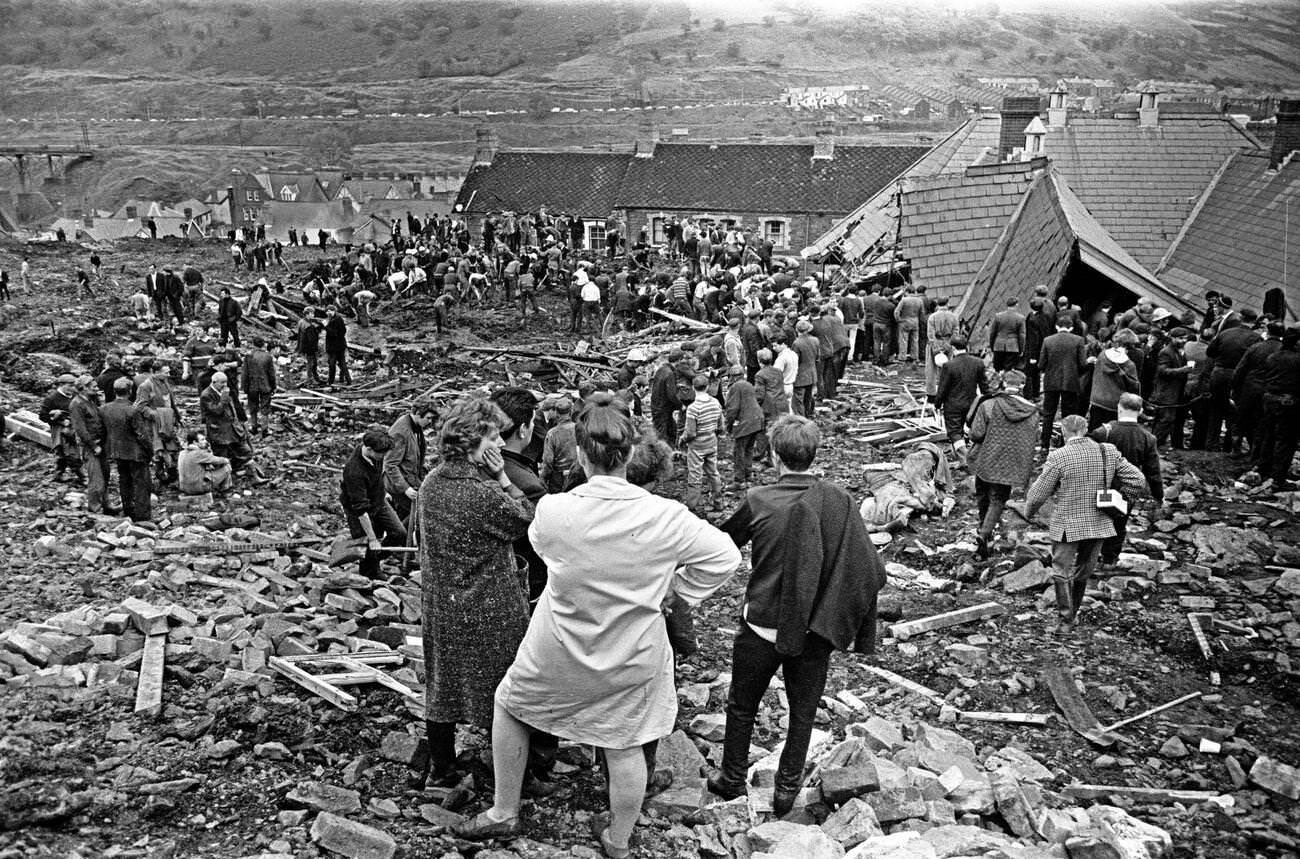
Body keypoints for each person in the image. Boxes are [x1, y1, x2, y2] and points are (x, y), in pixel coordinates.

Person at [457, 396, 739, 853]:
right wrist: (678, 589)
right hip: (632, 651)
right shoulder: (665, 516)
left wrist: (502, 479)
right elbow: (725, 557)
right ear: (629, 453)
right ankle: (619, 840)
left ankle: (503, 811)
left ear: (583, 455)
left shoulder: (556, 511)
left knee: (509, 707)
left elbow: (542, 545)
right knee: (624, 741)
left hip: (560, 646)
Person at [708, 414, 885, 817]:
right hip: (814, 628)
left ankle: (731, 777)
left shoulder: (758, 500)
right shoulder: (839, 501)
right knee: (802, 712)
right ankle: (787, 790)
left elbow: (722, 543)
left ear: (774, 456)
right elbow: (864, 565)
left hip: (762, 623)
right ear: (814, 454)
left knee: (742, 705)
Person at [415, 399, 534, 791]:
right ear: (473, 443)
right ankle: (516, 772)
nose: (501, 443)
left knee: (442, 685)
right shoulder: (483, 492)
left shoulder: (432, 482)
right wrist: (502, 477)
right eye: (494, 436)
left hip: (441, 604)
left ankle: (442, 768)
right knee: (508, 689)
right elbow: (529, 521)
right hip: (490, 607)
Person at [1013, 415, 1148, 634]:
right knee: (1084, 569)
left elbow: (1039, 493)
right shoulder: (1107, 451)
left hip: (1068, 522)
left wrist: (1029, 512)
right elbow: (1137, 479)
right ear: (1085, 430)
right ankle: (1072, 614)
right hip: (1100, 521)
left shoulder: (1060, 456)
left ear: (1064, 433)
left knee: (1061, 569)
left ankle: (1065, 621)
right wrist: (1123, 499)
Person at [967, 369, 1039, 559]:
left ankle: (983, 531)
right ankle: (985, 532)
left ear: (1003, 384)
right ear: (1022, 385)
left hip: (986, 458)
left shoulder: (989, 405)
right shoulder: (1032, 411)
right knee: (998, 499)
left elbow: (976, 434)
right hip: (1011, 463)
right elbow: (1031, 440)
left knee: (982, 493)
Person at [1090, 393, 1163, 566]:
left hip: (1101, 485)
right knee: (1119, 522)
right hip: (1127, 489)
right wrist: (1158, 495)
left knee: (1095, 518)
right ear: (1141, 411)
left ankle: (1089, 558)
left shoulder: (1104, 431)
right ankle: (1109, 560)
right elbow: (1153, 470)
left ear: (1119, 408)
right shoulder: (1148, 438)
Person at [340, 427, 407, 580]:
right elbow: (360, 510)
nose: (384, 456)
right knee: (367, 540)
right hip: (358, 510)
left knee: (399, 532)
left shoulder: (376, 453)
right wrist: (372, 539)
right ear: (369, 449)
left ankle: (375, 557)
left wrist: (384, 492)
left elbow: (377, 476)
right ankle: (370, 574)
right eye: (381, 454)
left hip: (379, 500)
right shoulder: (354, 471)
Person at [1202, 310, 1261, 452]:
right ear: (1254, 322)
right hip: (1238, 377)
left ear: (1241, 318)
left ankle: (1211, 445)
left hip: (1218, 373)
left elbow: (1210, 352)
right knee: (1234, 412)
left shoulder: (1225, 333)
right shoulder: (1256, 338)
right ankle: (1229, 447)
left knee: (1216, 409)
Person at [1233, 322, 1284, 471]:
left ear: (1267, 332)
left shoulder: (1256, 347)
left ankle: (1235, 448)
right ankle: (1256, 454)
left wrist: (1235, 387)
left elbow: (1240, 369)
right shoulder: (1282, 350)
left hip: (1251, 388)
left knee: (1242, 418)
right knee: (1262, 423)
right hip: (1270, 390)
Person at [100, 378, 153, 521]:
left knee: (124, 482)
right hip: (136, 453)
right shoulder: (132, 410)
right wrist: (150, 451)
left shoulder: (104, 408)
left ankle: (128, 510)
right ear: (130, 392)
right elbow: (141, 434)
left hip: (117, 452)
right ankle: (143, 515)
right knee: (142, 484)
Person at [1256, 327, 1300, 492]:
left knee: (1269, 436)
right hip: (1288, 403)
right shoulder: (1298, 359)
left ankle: (1262, 470)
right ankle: (1278, 480)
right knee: (1286, 441)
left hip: (1269, 400)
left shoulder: (1273, 356)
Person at [933, 336, 987, 465]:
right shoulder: (978, 362)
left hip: (953, 405)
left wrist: (937, 403)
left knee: (955, 432)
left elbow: (943, 388)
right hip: (972, 404)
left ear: (953, 348)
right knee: (973, 430)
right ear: (966, 346)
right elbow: (984, 386)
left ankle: (965, 459)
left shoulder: (949, 366)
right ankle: (973, 455)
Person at [1039, 319, 1088, 451]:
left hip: (1051, 381)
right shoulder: (1078, 340)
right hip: (1070, 381)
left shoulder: (1047, 340)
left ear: (1056, 326)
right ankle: (1066, 444)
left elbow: (1041, 364)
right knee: (1068, 413)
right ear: (1071, 328)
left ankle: (1044, 444)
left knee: (1048, 413)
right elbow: (1083, 364)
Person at [68, 376, 113, 514]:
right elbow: (80, 429)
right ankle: (94, 508)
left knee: (105, 475)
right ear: (83, 388)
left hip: (101, 444)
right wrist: (94, 446)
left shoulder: (91, 400)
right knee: (96, 479)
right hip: (90, 446)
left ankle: (107, 505)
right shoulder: (76, 404)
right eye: (93, 386)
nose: (96, 388)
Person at [383, 403, 435, 522]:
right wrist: (406, 489)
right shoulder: (401, 432)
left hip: (411, 478)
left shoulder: (415, 425)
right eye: (428, 418)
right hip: (397, 484)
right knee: (420, 512)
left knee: (407, 515)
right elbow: (390, 464)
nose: (430, 421)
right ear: (417, 414)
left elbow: (413, 452)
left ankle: (401, 537)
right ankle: (398, 538)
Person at [683, 374, 724, 512]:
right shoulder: (716, 403)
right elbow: (721, 426)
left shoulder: (693, 408)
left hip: (696, 446)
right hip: (711, 443)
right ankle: (718, 502)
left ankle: (691, 507)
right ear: (707, 387)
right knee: (713, 473)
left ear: (693, 388)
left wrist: (683, 439)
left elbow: (690, 433)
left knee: (695, 475)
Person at [199, 372, 254, 476]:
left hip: (232, 428)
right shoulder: (206, 395)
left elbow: (232, 409)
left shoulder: (225, 391)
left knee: (243, 450)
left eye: (225, 382)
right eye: (222, 383)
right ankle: (222, 480)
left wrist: (238, 422)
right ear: (214, 382)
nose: (224, 385)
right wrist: (223, 399)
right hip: (218, 430)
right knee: (221, 454)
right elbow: (216, 411)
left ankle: (244, 472)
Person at [1151, 327, 1195, 450]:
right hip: (1167, 392)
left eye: (1185, 338)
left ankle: (1154, 443)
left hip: (1175, 392)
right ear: (1173, 338)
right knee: (1166, 419)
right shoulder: (1166, 352)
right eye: (1180, 338)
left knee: (1163, 420)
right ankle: (1154, 446)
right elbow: (1162, 371)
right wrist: (1183, 370)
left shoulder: (1180, 351)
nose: (1184, 341)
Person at [1088, 329, 1140, 430]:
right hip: (1115, 405)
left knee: (1094, 430)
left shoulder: (1102, 355)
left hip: (1096, 399)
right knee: (1110, 433)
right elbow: (1134, 387)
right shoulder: (1129, 365)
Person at [724, 365, 763, 487]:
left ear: (733, 377)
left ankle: (739, 480)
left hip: (745, 423)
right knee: (749, 449)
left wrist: (728, 425)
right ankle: (748, 474)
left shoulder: (736, 387)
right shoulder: (748, 384)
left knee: (739, 451)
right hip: (756, 420)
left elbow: (733, 408)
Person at [40, 375, 80, 482]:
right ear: (61, 385)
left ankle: (61, 473)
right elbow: (43, 416)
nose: (72, 388)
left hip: (74, 427)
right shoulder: (51, 399)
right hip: (59, 429)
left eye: (74, 386)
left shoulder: (75, 396)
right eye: (70, 386)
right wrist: (58, 419)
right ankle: (80, 476)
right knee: (63, 452)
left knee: (74, 451)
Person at [177, 431, 233, 496]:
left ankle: (221, 489)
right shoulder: (198, 453)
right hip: (196, 488)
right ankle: (225, 491)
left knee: (209, 469)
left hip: (184, 487)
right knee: (227, 467)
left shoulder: (182, 453)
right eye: (202, 440)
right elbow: (220, 460)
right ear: (195, 442)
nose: (205, 441)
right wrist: (227, 460)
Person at [539, 396, 577, 493]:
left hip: (558, 479)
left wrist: (543, 478)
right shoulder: (579, 429)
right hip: (577, 474)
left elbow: (548, 461)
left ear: (556, 413)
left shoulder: (552, 433)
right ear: (571, 412)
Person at [242, 337, 277, 435]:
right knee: (265, 407)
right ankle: (265, 429)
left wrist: (244, 387)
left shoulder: (248, 356)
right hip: (265, 385)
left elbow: (244, 373)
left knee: (252, 406)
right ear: (263, 345)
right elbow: (271, 374)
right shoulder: (267, 356)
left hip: (251, 386)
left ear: (253, 344)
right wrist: (273, 386)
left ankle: (254, 426)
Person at [988, 297, 1027, 371]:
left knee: (997, 368)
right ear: (1016, 305)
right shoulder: (1020, 318)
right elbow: (1022, 335)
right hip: (1013, 347)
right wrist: (1021, 349)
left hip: (998, 345)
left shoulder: (998, 316)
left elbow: (992, 333)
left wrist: (992, 346)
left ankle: (998, 381)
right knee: (1008, 370)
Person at [791, 320, 820, 417]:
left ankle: (801, 420)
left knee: (799, 400)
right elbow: (817, 357)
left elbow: (795, 361)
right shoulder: (815, 340)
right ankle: (808, 416)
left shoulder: (796, 343)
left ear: (796, 329)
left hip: (800, 376)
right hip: (812, 373)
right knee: (808, 398)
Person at [894, 286, 925, 362]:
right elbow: (922, 313)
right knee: (915, 340)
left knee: (903, 340)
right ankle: (914, 356)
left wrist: (898, 319)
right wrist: (920, 321)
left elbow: (896, 311)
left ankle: (902, 357)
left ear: (907, 292)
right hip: (915, 321)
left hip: (904, 321)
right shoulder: (919, 300)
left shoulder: (904, 300)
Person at [324, 305, 352, 386]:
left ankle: (331, 381)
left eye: (330, 311)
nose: (329, 313)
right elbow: (343, 331)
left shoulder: (336, 320)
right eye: (327, 311)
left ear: (334, 311)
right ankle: (346, 380)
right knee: (342, 364)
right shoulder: (336, 319)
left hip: (335, 347)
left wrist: (326, 326)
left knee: (333, 364)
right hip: (340, 345)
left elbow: (334, 333)